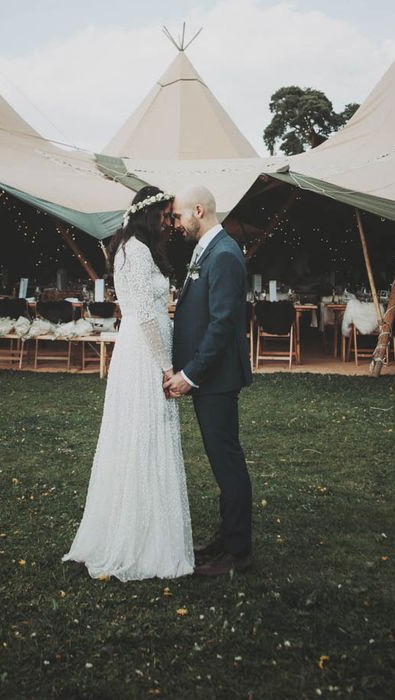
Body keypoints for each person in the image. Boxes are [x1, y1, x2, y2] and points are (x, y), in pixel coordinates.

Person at [62, 186, 194, 581]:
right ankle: (136, 537)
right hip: (143, 354)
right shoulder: (134, 250)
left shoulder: (135, 247)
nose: (169, 223)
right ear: (148, 214)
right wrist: (166, 365)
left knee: (148, 436)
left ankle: (149, 525)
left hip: (143, 350)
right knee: (142, 435)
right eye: (165, 216)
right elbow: (145, 315)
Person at [164, 185, 254, 577]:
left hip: (216, 379)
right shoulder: (210, 250)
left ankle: (238, 554)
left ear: (198, 210)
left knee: (227, 463)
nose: (176, 224)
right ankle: (227, 538)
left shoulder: (225, 256)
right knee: (223, 463)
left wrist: (190, 374)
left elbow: (222, 325)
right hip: (209, 379)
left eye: (179, 216)